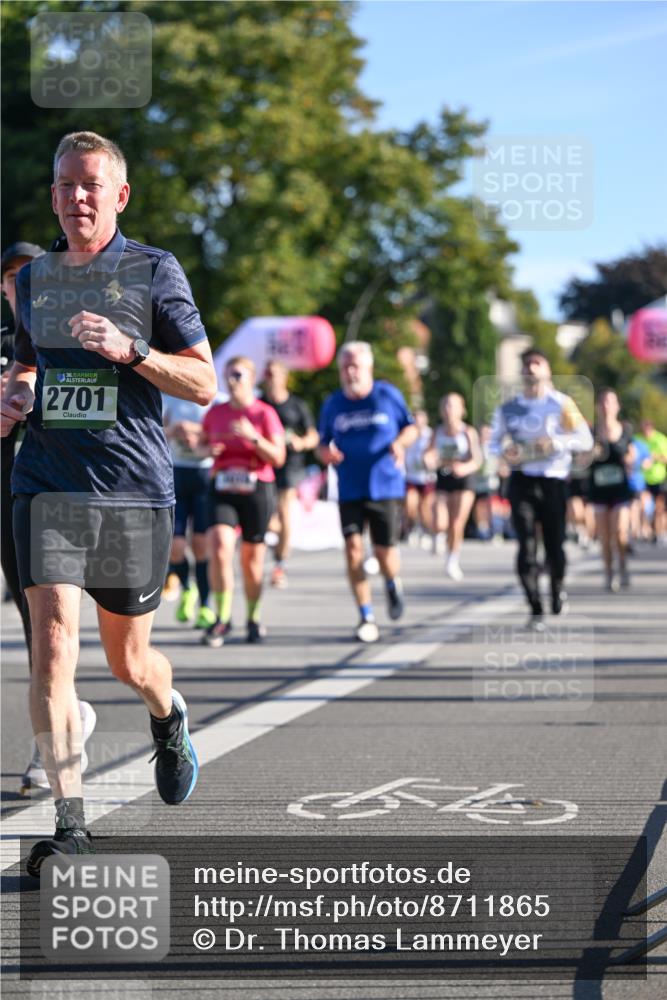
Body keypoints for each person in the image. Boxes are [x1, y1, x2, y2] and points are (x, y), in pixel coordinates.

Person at [0, 131, 217, 875]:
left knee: (131, 663)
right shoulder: (33, 282)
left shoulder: (153, 271)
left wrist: (131, 351)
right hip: (47, 483)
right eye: (64, 185)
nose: (76, 197)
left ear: (119, 196)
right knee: (54, 644)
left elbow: (202, 382)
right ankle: (71, 823)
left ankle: (169, 713)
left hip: (131, 490)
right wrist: (18, 393)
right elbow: (28, 362)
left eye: (90, 184)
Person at [2, 241, 98, 796]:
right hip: (6, 495)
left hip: (47, 496)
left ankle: (54, 749)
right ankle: (71, 718)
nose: (20, 284)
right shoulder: (8, 345)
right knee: (36, 629)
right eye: (12, 277)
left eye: (29, 275)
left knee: (48, 633)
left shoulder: (67, 342)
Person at [317, 341, 417, 643]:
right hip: (349, 487)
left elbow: (410, 428)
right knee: (353, 550)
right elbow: (322, 444)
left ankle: (391, 582)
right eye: (345, 367)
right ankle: (366, 614)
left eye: (355, 366)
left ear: (368, 367)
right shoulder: (333, 403)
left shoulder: (387, 394)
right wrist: (326, 455)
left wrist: (399, 445)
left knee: (385, 553)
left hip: (384, 485)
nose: (350, 372)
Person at [490, 348, 593, 628]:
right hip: (522, 480)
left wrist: (556, 443)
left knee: (554, 545)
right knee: (526, 546)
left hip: (553, 480)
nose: (531, 368)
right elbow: (492, 441)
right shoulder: (509, 407)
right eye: (527, 365)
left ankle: (557, 589)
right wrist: (505, 450)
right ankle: (535, 605)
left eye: (537, 363)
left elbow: (584, 439)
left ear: (548, 370)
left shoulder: (561, 404)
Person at [200, 356, 285, 647]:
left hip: (257, 488)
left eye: (238, 374)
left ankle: (253, 618)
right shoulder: (216, 412)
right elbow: (201, 445)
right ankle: (221, 618)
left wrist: (254, 438)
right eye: (228, 375)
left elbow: (278, 457)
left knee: (252, 562)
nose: (232, 380)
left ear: (252, 378)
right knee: (221, 547)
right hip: (223, 486)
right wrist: (207, 449)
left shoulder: (264, 414)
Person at [261, 360, 319, 588]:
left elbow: (313, 437)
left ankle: (280, 565)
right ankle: (279, 545)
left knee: (285, 512)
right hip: (265, 464)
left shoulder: (296, 406)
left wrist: (301, 442)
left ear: (284, 378)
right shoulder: (260, 403)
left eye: (275, 374)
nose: (271, 378)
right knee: (267, 518)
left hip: (290, 465)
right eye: (268, 374)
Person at [162, 393, 216, 629]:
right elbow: (152, 431)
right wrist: (174, 431)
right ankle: (187, 587)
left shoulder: (216, 397)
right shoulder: (168, 397)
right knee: (175, 547)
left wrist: (197, 434)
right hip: (176, 472)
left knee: (201, 545)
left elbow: (221, 433)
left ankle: (205, 605)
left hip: (204, 474)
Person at [425, 393, 481, 580]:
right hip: (444, 476)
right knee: (440, 520)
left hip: (464, 479)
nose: (449, 410)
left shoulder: (468, 432)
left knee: (457, 523)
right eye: (446, 406)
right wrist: (429, 460)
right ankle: (438, 535)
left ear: (461, 410)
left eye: (453, 406)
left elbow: (477, 460)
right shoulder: (438, 432)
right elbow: (429, 453)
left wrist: (464, 467)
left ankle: (452, 559)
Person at [588, 389, 635, 591]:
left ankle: (623, 564)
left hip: (619, 489)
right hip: (598, 489)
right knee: (605, 537)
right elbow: (582, 459)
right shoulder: (591, 433)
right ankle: (609, 573)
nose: (607, 406)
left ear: (617, 406)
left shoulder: (625, 430)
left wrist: (630, 460)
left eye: (611, 402)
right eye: (603, 402)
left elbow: (632, 454)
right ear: (598, 407)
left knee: (620, 533)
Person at [402, 408, 436, 549]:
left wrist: (430, 458)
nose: (418, 421)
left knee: (425, 508)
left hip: (427, 477)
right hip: (411, 476)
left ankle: (427, 532)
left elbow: (436, 452)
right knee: (410, 505)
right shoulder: (407, 434)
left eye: (420, 418)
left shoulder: (430, 434)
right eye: (415, 418)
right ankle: (412, 528)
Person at [635, 419, 667, 544]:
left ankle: (658, 533)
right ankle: (645, 530)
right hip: (642, 479)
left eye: (648, 429)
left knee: (659, 509)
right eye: (644, 429)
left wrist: (654, 457)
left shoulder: (660, 439)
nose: (646, 432)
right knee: (643, 505)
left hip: (658, 478)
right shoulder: (637, 438)